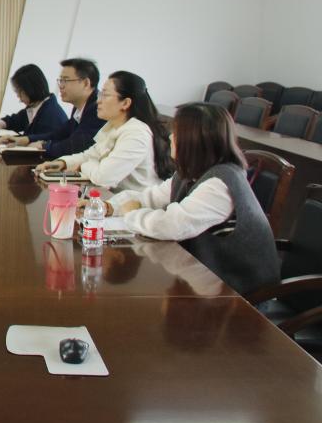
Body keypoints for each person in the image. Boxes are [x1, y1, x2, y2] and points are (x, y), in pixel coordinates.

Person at [99, 102, 279, 295]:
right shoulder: (192, 171)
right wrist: (109, 206)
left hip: (239, 293)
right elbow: (151, 196)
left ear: (194, 141)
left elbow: (172, 226)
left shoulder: (220, 185)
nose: (170, 137)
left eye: (176, 133)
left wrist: (131, 214)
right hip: (206, 279)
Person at [36, 71, 172, 191]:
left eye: (105, 95)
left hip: (134, 207)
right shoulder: (112, 126)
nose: (98, 101)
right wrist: (62, 163)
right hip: (112, 200)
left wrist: (82, 166)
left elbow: (103, 177)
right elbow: (89, 155)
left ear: (125, 103)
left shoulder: (137, 134)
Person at [14, 58, 102, 158]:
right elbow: (60, 133)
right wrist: (27, 139)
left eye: (65, 80)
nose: (61, 86)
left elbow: (76, 145)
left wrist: (44, 146)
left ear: (86, 83)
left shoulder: (98, 108)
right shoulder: (80, 107)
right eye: (60, 80)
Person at [0, 64, 67, 139]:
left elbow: (37, 146)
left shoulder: (50, 117)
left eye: (19, 93)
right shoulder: (36, 106)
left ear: (30, 90)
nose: (19, 99)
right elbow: (15, 121)